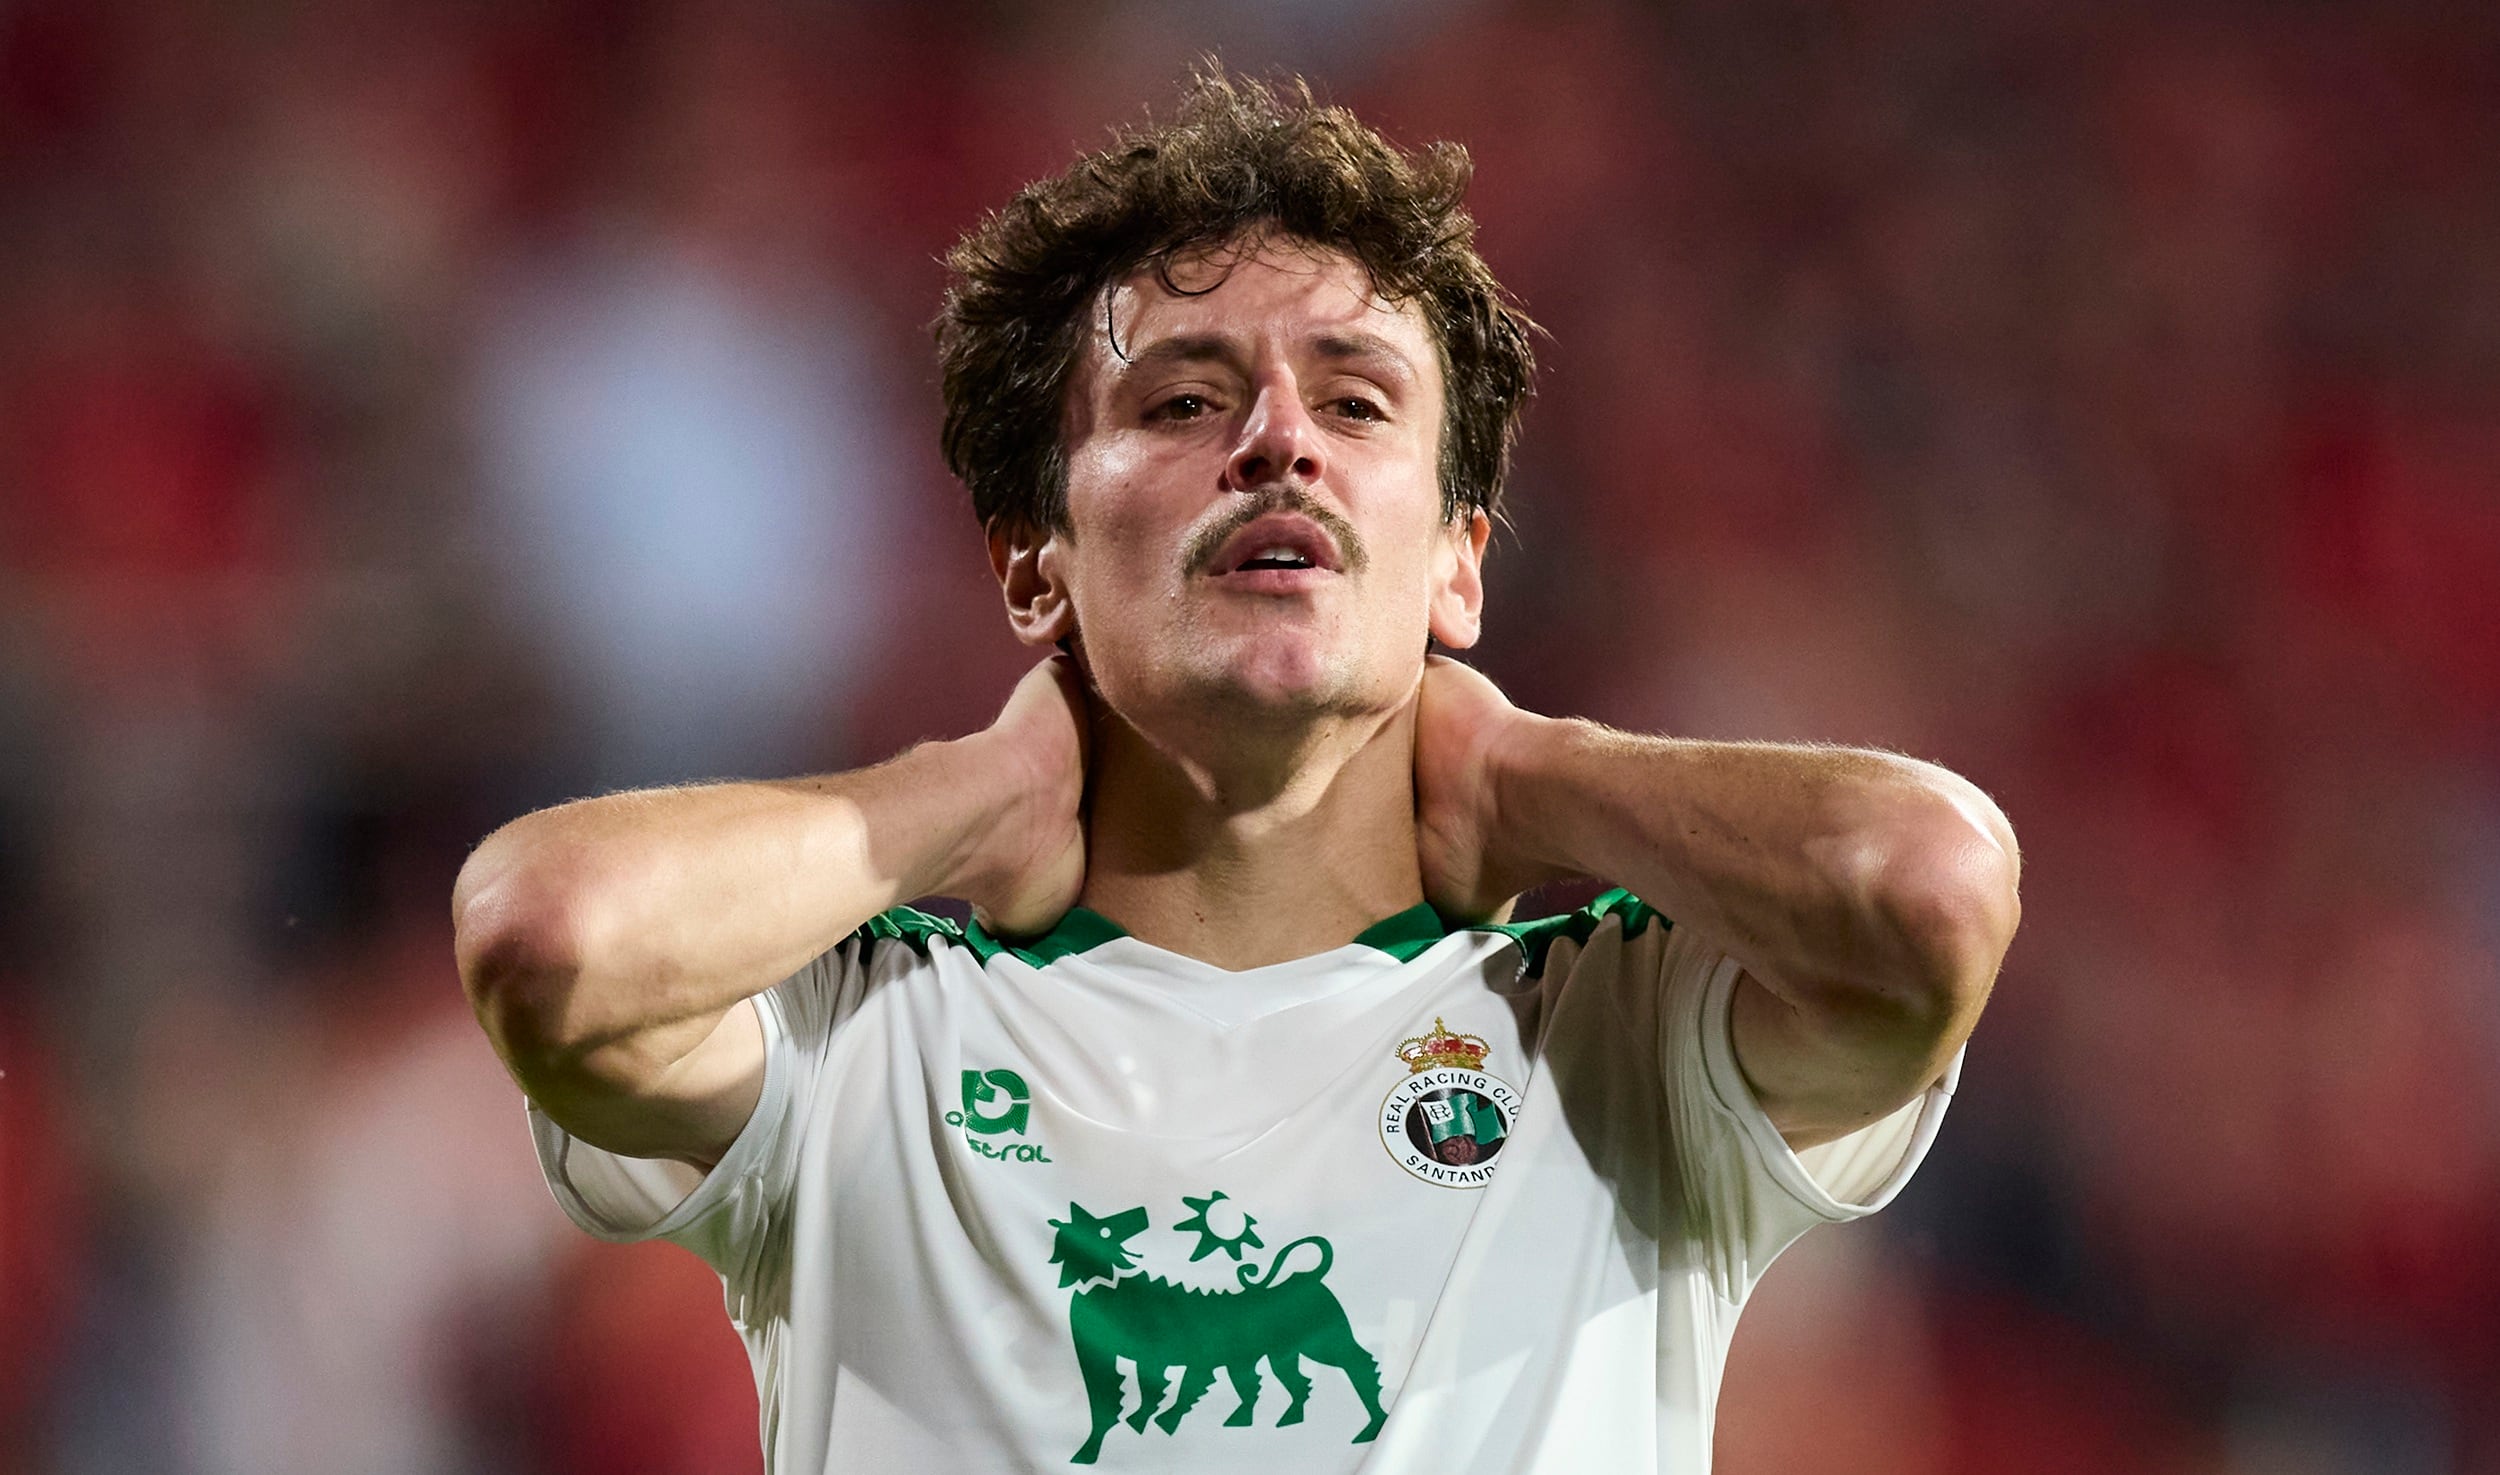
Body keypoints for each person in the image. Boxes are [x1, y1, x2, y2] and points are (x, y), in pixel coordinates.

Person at [453, 69, 2020, 1474]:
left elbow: (1924, 893)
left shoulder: (1619, 1032)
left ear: (1458, 569)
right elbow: (552, 936)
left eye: (1356, 401)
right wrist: (970, 799)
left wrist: (1533, 774)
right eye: (1186, 400)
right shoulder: (861, 1032)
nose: (1282, 439)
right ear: (1034, 566)